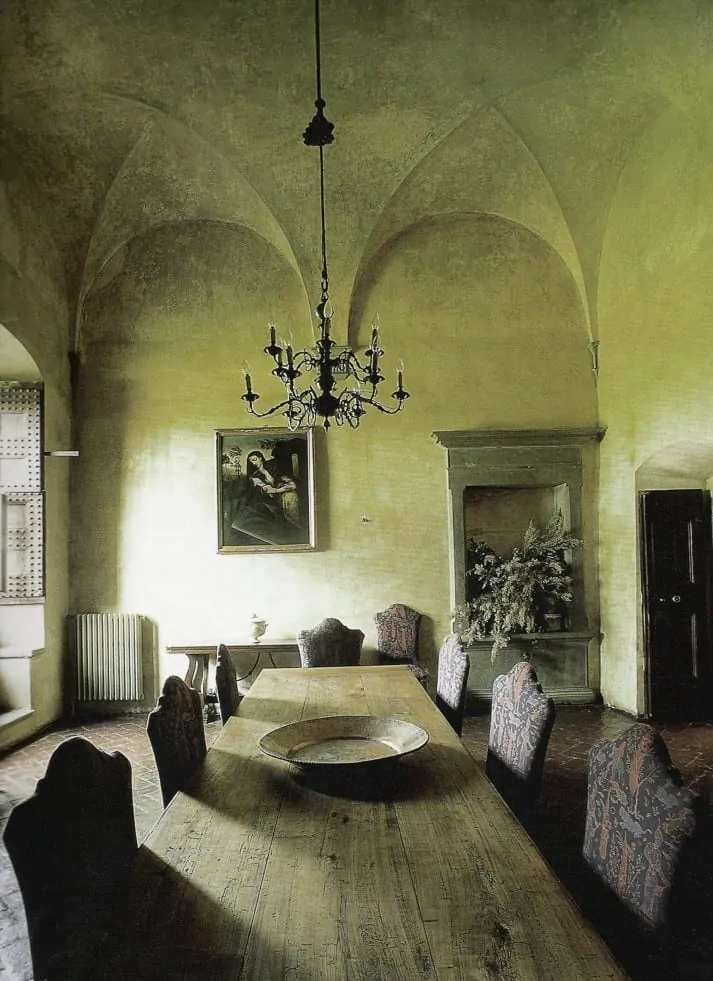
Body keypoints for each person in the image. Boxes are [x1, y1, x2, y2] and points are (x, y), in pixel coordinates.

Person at [245, 450, 301, 527]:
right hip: (271, 498)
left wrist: (280, 488)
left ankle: (295, 524)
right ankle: (292, 525)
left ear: (260, 458)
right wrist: (278, 490)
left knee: (291, 496)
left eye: (254, 459)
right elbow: (269, 490)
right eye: (251, 462)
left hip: (283, 493)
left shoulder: (273, 467)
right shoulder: (254, 476)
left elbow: (292, 484)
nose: (253, 463)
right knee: (289, 496)